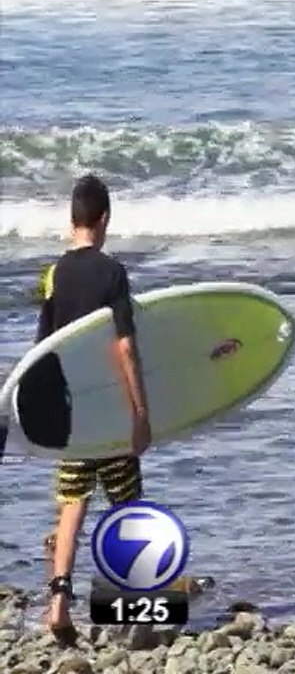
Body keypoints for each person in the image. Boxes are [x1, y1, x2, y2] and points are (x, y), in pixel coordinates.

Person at [36, 174, 152, 641]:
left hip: (72, 413)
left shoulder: (53, 275)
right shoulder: (112, 272)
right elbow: (125, 347)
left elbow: (43, 350)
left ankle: (59, 603)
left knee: (72, 502)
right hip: (108, 411)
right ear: (104, 219)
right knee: (128, 504)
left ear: (73, 220)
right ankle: (135, 609)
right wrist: (140, 415)